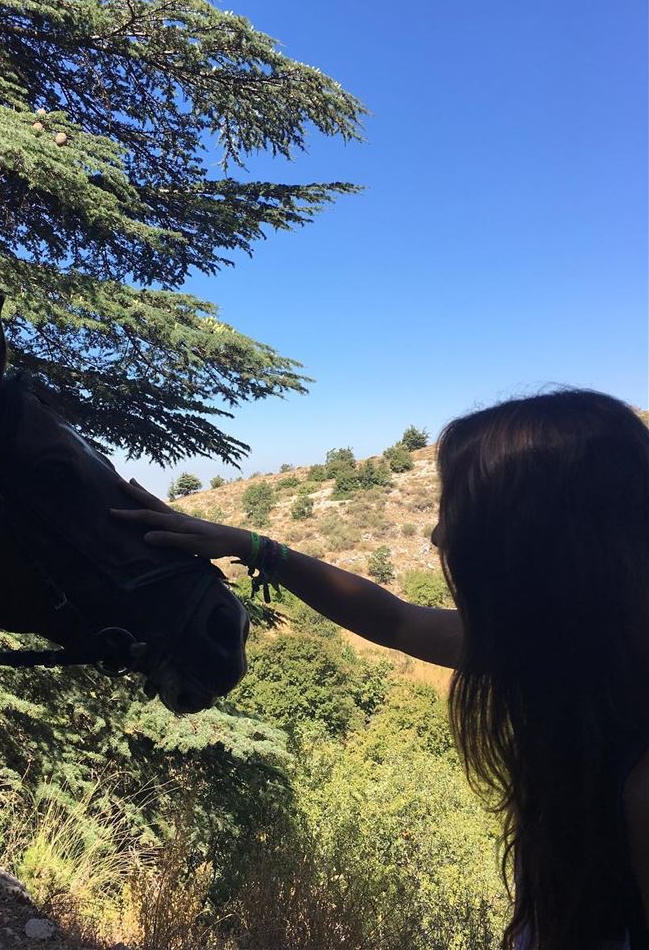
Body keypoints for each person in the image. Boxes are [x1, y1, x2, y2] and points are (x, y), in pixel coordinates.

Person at [113, 389, 649, 950]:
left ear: (539, 541)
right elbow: (392, 619)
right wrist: (252, 546)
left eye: (461, 514)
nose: (439, 536)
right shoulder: (566, 648)